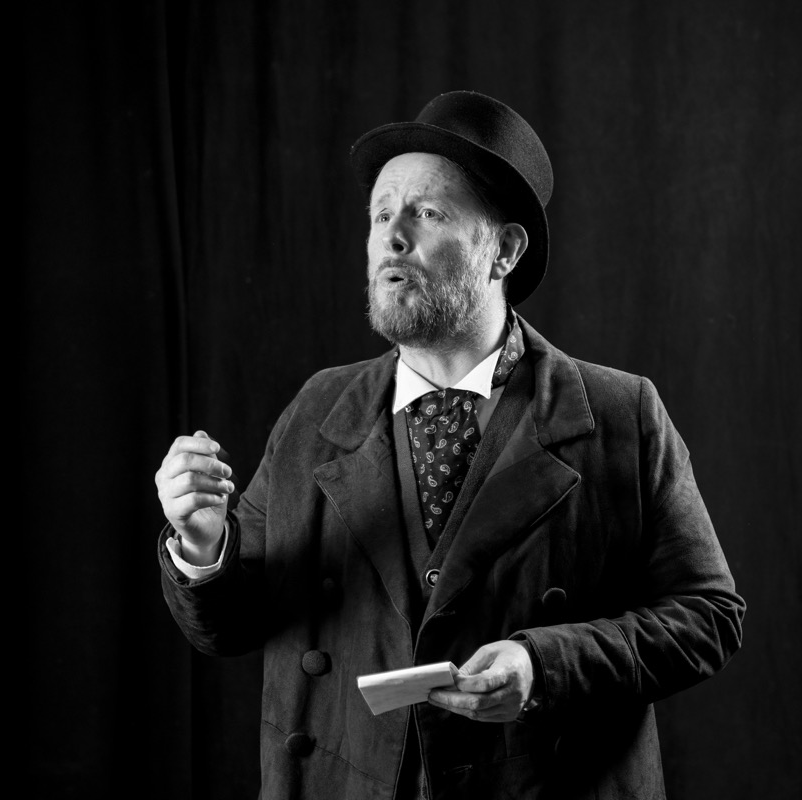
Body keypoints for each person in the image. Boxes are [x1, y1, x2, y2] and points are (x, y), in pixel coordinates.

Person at [154, 90, 744, 800]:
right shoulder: (317, 409)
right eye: (381, 214)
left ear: (504, 251)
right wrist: (202, 546)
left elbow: (708, 617)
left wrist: (543, 666)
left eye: (427, 213)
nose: (392, 238)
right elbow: (230, 627)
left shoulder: (622, 414)